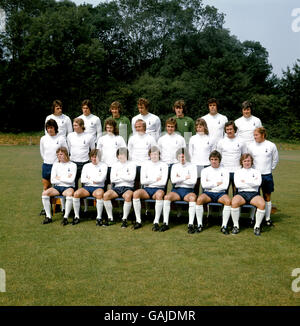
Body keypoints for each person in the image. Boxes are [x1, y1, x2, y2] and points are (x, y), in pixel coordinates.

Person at [160, 148, 197, 234]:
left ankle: (190, 224)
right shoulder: (175, 166)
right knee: (167, 197)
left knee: (192, 198)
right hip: (177, 190)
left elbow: (193, 181)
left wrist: (179, 177)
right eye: (180, 157)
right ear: (177, 157)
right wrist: (185, 177)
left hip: (189, 190)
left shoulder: (192, 166)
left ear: (186, 156)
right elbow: (173, 180)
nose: (182, 159)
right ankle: (165, 223)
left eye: (183, 157)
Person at [247, 127, 279, 226]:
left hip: (267, 175)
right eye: (254, 135)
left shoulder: (271, 145)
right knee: (254, 197)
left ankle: (267, 219)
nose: (254, 137)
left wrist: (269, 169)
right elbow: (249, 160)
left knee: (267, 197)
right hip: (254, 176)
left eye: (256, 135)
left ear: (263, 135)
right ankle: (252, 218)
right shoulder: (251, 146)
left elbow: (275, 159)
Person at [132, 146, 168, 230]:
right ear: (149, 155)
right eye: (152, 154)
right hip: (147, 190)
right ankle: (138, 221)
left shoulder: (164, 165)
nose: (154, 156)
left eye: (156, 154)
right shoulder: (145, 164)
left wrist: (149, 180)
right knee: (136, 193)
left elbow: (163, 182)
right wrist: (155, 179)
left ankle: (156, 221)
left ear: (159, 155)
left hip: (159, 189)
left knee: (159, 195)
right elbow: (143, 181)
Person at [196, 150, 231, 235]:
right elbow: (204, 185)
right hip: (208, 193)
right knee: (199, 200)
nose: (213, 161)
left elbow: (225, 186)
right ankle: (200, 224)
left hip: (221, 193)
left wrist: (210, 183)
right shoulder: (205, 170)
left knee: (228, 201)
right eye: (212, 159)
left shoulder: (225, 171)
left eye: (215, 159)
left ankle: (224, 226)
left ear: (219, 160)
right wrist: (217, 183)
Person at [231, 153, 266, 236]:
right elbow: (238, 185)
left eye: (249, 161)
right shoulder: (238, 172)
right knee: (234, 202)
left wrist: (245, 181)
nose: (247, 163)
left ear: (252, 162)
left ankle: (257, 227)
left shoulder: (257, 172)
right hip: (241, 193)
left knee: (262, 204)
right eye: (245, 161)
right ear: (242, 162)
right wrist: (252, 182)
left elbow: (258, 183)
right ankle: (236, 226)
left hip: (254, 194)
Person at [41, 147, 76, 225]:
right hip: (57, 187)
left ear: (66, 154)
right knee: (45, 193)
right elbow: (53, 180)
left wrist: (59, 178)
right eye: (58, 155)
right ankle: (48, 217)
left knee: (69, 194)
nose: (59, 156)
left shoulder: (73, 165)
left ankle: (65, 217)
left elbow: (71, 180)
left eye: (61, 154)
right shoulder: (56, 165)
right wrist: (66, 177)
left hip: (68, 187)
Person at [72, 149, 108, 226]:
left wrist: (90, 179)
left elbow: (101, 180)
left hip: (98, 187)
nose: (94, 159)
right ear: (90, 157)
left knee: (99, 194)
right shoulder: (86, 166)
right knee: (76, 194)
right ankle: (76, 217)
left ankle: (99, 217)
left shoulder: (104, 165)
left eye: (96, 157)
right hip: (87, 188)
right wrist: (94, 180)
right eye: (92, 157)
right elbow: (83, 179)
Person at [103, 147, 136, 227]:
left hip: (128, 187)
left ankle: (124, 219)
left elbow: (131, 178)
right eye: (120, 154)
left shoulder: (132, 164)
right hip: (117, 187)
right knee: (106, 195)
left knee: (128, 196)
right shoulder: (115, 165)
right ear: (117, 156)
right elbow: (112, 179)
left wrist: (120, 176)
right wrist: (125, 176)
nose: (122, 156)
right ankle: (110, 218)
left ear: (127, 155)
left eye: (123, 154)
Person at [216, 121, 246, 194]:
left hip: (237, 170)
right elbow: (218, 157)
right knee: (223, 192)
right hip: (224, 170)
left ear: (234, 130)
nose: (229, 131)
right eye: (227, 129)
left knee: (236, 192)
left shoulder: (241, 141)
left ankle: (235, 205)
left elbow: (244, 156)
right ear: (225, 131)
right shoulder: (221, 142)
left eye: (231, 129)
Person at [97, 118, 126, 190]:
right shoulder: (101, 139)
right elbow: (98, 152)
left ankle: (114, 201)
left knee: (114, 186)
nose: (109, 129)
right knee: (103, 185)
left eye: (110, 127)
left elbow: (124, 151)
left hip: (116, 166)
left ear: (114, 128)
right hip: (104, 165)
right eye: (107, 128)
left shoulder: (119, 138)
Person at [67, 118, 95, 191]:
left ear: (82, 126)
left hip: (85, 163)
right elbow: (69, 149)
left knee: (85, 184)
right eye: (73, 125)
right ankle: (75, 201)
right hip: (73, 163)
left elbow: (93, 150)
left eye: (76, 125)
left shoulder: (89, 136)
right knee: (73, 184)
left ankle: (85, 201)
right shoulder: (70, 136)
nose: (74, 127)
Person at [40, 119, 68, 191]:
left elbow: (66, 151)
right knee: (46, 187)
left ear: (55, 128)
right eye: (48, 128)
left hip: (58, 166)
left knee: (58, 188)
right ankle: (47, 202)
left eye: (51, 128)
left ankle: (59, 202)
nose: (49, 130)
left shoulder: (61, 138)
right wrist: (47, 160)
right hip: (46, 166)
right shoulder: (43, 139)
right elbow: (42, 152)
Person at [128, 119, 157, 189]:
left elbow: (154, 152)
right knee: (135, 185)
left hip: (146, 165)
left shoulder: (151, 138)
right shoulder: (132, 138)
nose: (137, 129)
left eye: (139, 127)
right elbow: (129, 152)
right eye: (136, 127)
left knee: (146, 185)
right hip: (135, 165)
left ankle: (144, 199)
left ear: (144, 127)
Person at [188, 118, 213, 195]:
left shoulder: (210, 138)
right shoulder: (192, 138)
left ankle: (204, 205)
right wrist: (192, 164)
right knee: (196, 185)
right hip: (196, 165)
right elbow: (190, 152)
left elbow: (213, 152)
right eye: (197, 127)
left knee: (206, 186)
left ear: (204, 127)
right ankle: (195, 204)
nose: (198, 128)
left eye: (200, 126)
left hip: (207, 164)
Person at [157, 117, 186, 182]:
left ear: (175, 127)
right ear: (166, 127)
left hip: (176, 165)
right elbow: (159, 153)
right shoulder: (161, 139)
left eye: (172, 127)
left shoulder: (180, 139)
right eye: (168, 126)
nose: (170, 128)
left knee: (176, 184)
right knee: (163, 184)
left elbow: (183, 152)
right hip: (164, 164)